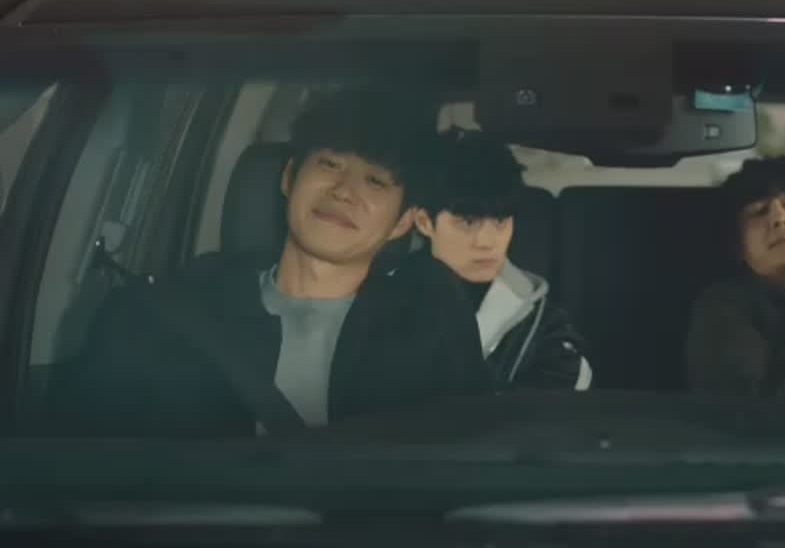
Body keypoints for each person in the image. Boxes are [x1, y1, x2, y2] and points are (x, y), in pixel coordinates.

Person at [49, 87, 492, 437]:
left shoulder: (429, 324)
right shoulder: (172, 311)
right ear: (289, 178)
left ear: (403, 223)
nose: (344, 191)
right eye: (330, 164)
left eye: (375, 181)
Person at [408, 131, 592, 391]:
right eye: (468, 222)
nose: (487, 242)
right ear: (424, 222)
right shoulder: (380, 299)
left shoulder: (541, 319)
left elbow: (566, 400)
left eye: (501, 221)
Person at [685, 157, 785, 398]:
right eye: (759, 211)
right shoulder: (723, 307)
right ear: (738, 246)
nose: (779, 218)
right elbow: (743, 405)